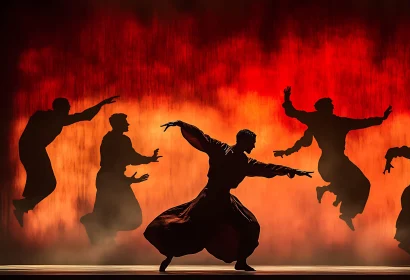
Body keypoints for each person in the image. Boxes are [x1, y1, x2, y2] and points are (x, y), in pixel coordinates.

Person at [143, 120, 313, 272]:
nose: (253, 147)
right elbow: (202, 137)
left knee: (250, 226)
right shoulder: (220, 149)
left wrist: (292, 171)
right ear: (243, 141)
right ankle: (169, 256)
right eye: (252, 143)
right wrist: (182, 125)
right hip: (209, 198)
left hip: (225, 200)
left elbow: (267, 167)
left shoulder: (245, 162)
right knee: (188, 227)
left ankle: (241, 261)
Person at [274, 86, 392, 230]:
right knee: (353, 184)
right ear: (323, 109)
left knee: (363, 184)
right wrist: (286, 98)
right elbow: (292, 113)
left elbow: (362, 123)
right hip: (330, 165)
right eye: (330, 106)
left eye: (332, 106)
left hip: (337, 163)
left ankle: (345, 211)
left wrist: (381, 118)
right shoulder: (319, 120)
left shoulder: (329, 121)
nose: (332, 108)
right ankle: (330, 194)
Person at [12, 96, 119, 227]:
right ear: (61, 108)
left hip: (30, 149)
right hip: (32, 150)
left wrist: (101, 104)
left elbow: (85, 116)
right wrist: (101, 103)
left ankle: (24, 205)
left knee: (46, 183)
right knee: (49, 183)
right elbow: (84, 115)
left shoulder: (52, 117)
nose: (70, 108)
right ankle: (24, 205)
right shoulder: (53, 118)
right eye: (67, 106)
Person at [80, 113, 162, 245]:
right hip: (112, 180)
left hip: (109, 179)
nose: (128, 124)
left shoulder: (109, 138)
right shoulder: (119, 140)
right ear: (118, 124)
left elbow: (124, 159)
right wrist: (149, 159)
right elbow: (129, 157)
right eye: (125, 122)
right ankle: (97, 229)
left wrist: (128, 179)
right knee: (132, 217)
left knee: (109, 213)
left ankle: (102, 237)